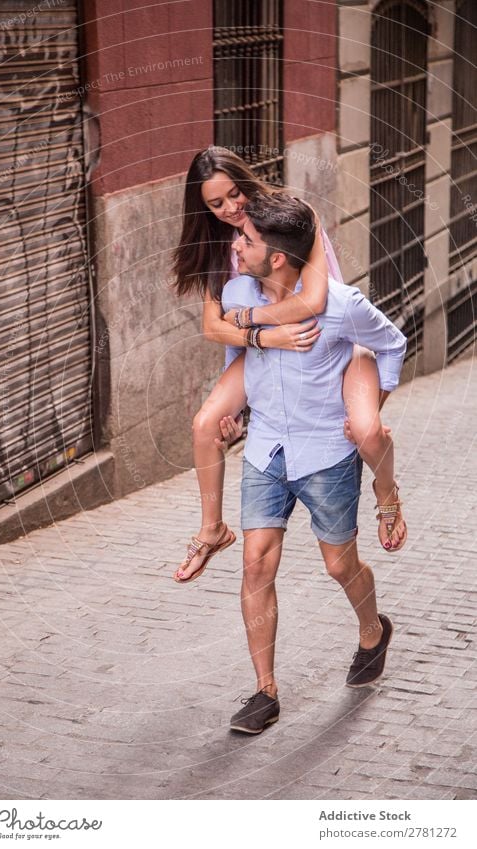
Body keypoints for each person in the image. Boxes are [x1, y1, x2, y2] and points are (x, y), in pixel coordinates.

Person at [172, 147, 407, 584]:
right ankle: (212, 529)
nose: (229, 209)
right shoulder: (214, 247)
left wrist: (246, 320)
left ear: (246, 181)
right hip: (267, 347)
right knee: (205, 424)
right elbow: (211, 328)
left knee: (365, 429)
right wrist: (262, 343)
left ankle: (387, 491)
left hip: (330, 337)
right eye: (215, 204)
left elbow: (313, 301)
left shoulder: (290, 219)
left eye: (234, 194)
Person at [220, 191, 407, 733]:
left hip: (326, 452)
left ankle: (373, 630)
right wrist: (234, 415)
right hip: (265, 449)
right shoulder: (237, 291)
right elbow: (238, 353)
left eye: (247, 239)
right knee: (256, 562)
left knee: (339, 565)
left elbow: (391, 344)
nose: (236, 244)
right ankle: (264, 692)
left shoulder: (342, 305)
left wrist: (371, 407)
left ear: (277, 257)